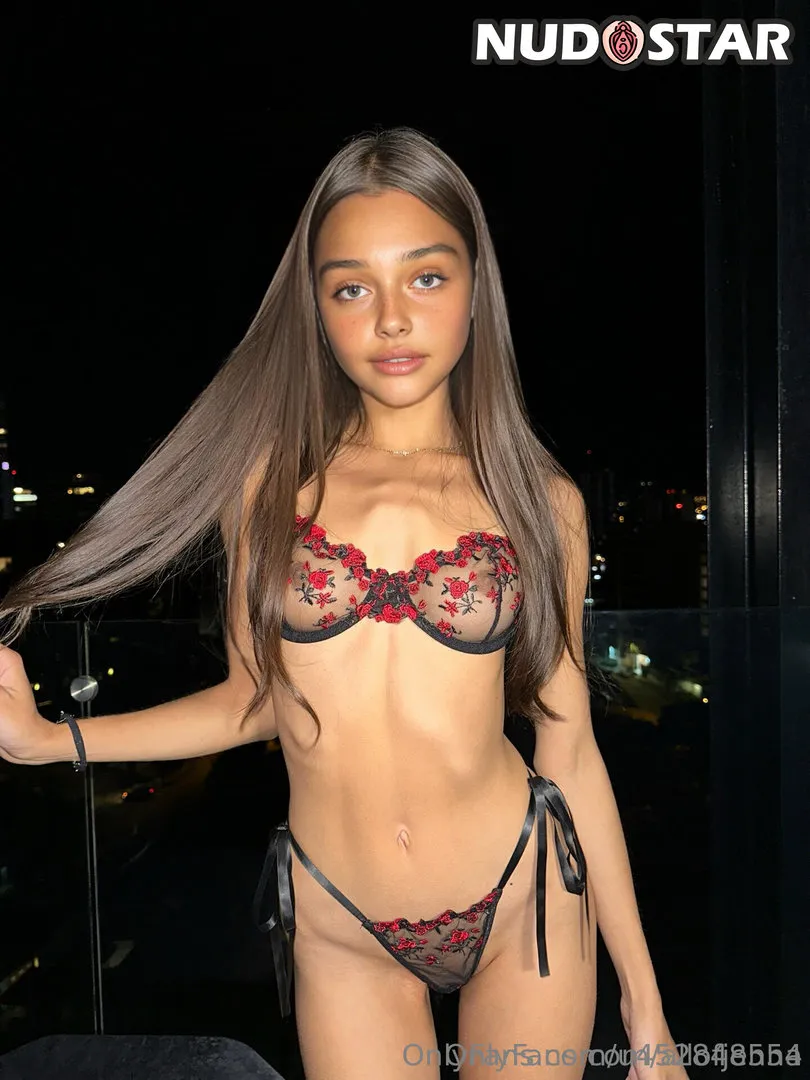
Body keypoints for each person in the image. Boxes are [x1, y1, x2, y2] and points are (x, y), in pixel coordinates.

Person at [0, 127, 688, 1080]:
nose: (392, 319)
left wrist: (647, 1011)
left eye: (426, 277)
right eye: (352, 289)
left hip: (523, 894)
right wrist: (51, 742)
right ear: (319, 314)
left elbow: (569, 749)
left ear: (475, 291)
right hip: (340, 916)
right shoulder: (266, 491)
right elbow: (252, 704)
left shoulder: (540, 501)